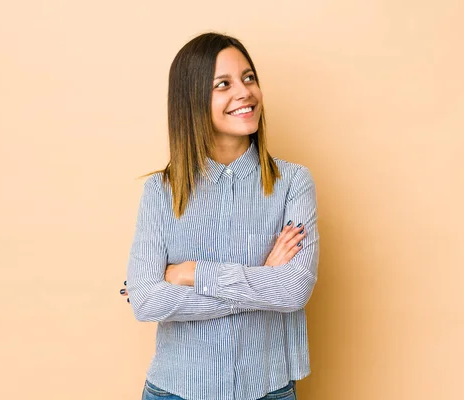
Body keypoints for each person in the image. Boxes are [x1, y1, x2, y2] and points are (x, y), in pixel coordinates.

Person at [119, 32, 319, 400]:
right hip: (175, 391)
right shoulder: (161, 191)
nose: (244, 92)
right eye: (222, 84)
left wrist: (191, 274)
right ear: (191, 99)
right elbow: (146, 300)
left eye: (248, 78)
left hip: (268, 390)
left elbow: (294, 290)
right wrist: (265, 282)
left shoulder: (293, 182)